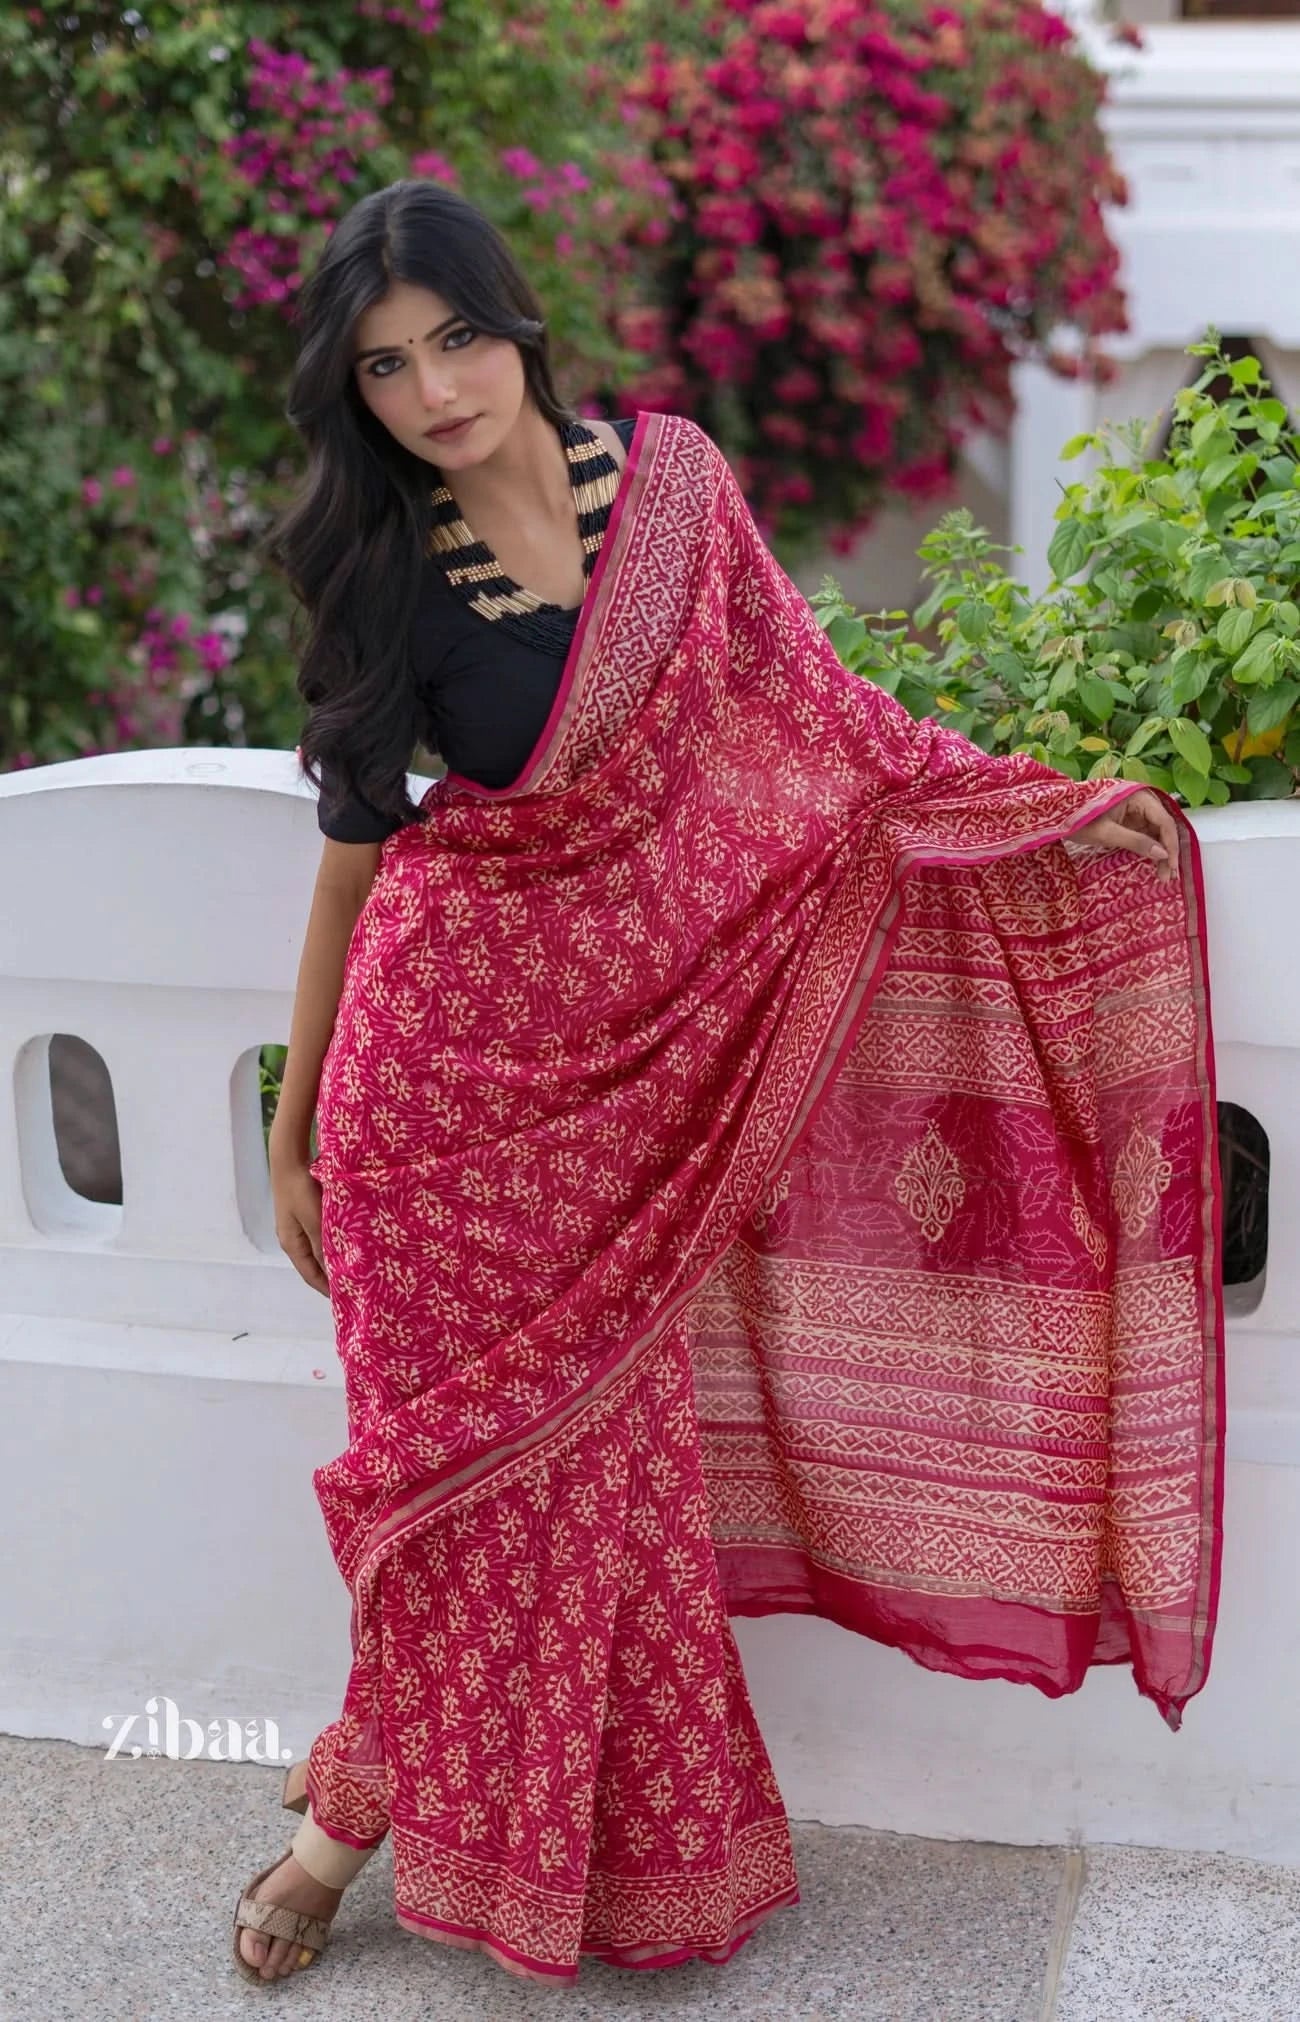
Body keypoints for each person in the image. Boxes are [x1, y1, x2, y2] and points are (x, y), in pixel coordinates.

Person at [232, 178, 1223, 1989]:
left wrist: (1044, 808)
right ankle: (340, 1834)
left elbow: (833, 727)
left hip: (634, 1106)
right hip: (436, 1106)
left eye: (455, 338)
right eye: (386, 366)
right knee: (459, 1491)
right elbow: (357, 854)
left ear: (514, 324)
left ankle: (381, 1828)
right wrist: (296, 1128)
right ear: (355, 394)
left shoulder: (675, 490)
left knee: (584, 1488)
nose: (435, 389)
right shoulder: (378, 570)